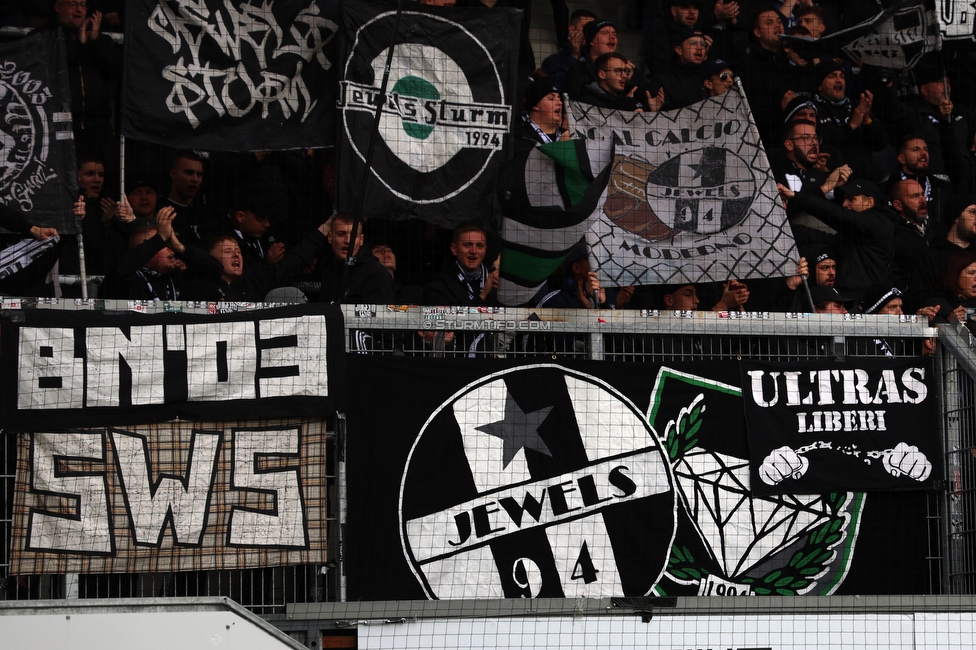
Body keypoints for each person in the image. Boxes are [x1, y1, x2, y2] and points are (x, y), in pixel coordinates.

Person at [778, 178, 895, 299]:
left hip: (866, 306)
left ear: (869, 202)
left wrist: (795, 197)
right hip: (845, 303)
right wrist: (780, 224)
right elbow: (817, 237)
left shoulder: (880, 224)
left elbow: (840, 216)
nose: (844, 204)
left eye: (851, 199)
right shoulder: (852, 235)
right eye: (844, 199)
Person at [101, 206, 222, 301]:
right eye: (162, 244)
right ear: (145, 249)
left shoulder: (176, 276)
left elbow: (215, 270)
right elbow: (121, 270)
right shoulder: (130, 279)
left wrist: (179, 246)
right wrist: (159, 238)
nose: (170, 249)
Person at [318, 213, 395, 304]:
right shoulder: (328, 271)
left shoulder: (376, 274)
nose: (348, 241)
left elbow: (382, 317)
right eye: (341, 234)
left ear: (361, 240)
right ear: (330, 237)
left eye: (354, 235)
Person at [423, 223, 498, 305]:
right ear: (454, 249)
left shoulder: (498, 281)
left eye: (479, 246)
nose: (473, 251)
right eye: (467, 245)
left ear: (485, 250)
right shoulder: (438, 287)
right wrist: (483, 294)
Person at [579, 52, 661, 111]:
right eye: (618, 71)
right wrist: (624, 106)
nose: (624, 75)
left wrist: (652, 111)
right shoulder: (587, 103)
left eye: (625, 71)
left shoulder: (630, 98)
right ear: (602, 74)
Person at [651, 28, 708, 110]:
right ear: (679, 50)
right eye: (693, 43)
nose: (699, 47)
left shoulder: (710, 77)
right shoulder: (663, 81)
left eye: (703, 44)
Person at [540, 9, 596, 92]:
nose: (591, 33)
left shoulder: (598, 59)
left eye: (593, 29)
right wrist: (574, 56)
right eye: (586, 28)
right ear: (572, 30)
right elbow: (555, 89)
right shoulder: (553, 61)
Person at [163, 150, 209, 248]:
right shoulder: (160, 211)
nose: (195, 179)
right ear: (173, 173)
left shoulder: (207, 213)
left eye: (199, 174)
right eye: (189, 172)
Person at [565, 19, 619, 100]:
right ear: (591, 41)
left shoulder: (625, 69)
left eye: (614, 34)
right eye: (605, 33)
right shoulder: (579, 72)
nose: (612, 37)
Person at [515, 76, 568, 150]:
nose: (559, 103)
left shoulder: (569, 136)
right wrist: (562, 147)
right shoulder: (519, 135)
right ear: (535, 105)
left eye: (559, 98)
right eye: (551, 99)